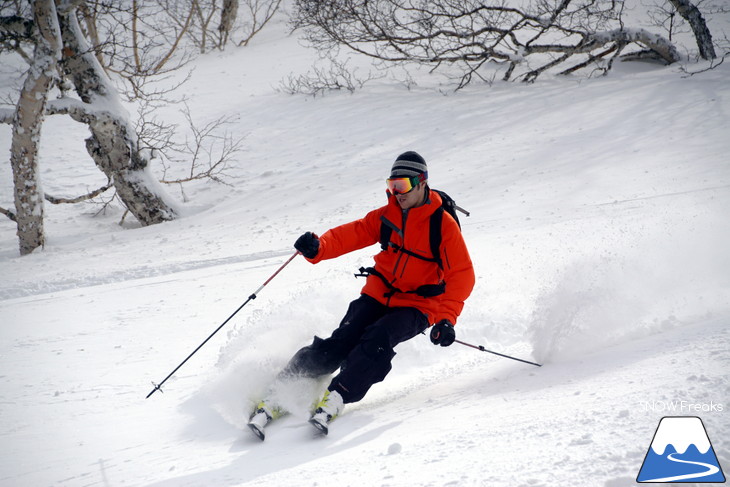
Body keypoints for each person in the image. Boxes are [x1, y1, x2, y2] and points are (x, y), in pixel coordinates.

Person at [248, 151, 475, 439]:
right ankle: (277, 393)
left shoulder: (442, 225)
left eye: (402, 186)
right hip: (379, 292)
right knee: (340, 343)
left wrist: (446, 319)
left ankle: (337, 396)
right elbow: (352, 234)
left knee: (377, 339)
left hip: (418, 304)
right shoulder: (387, 215)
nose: (397, 193)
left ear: (421, 183)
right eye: (392, 186)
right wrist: (319, 247)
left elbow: (462, 275)